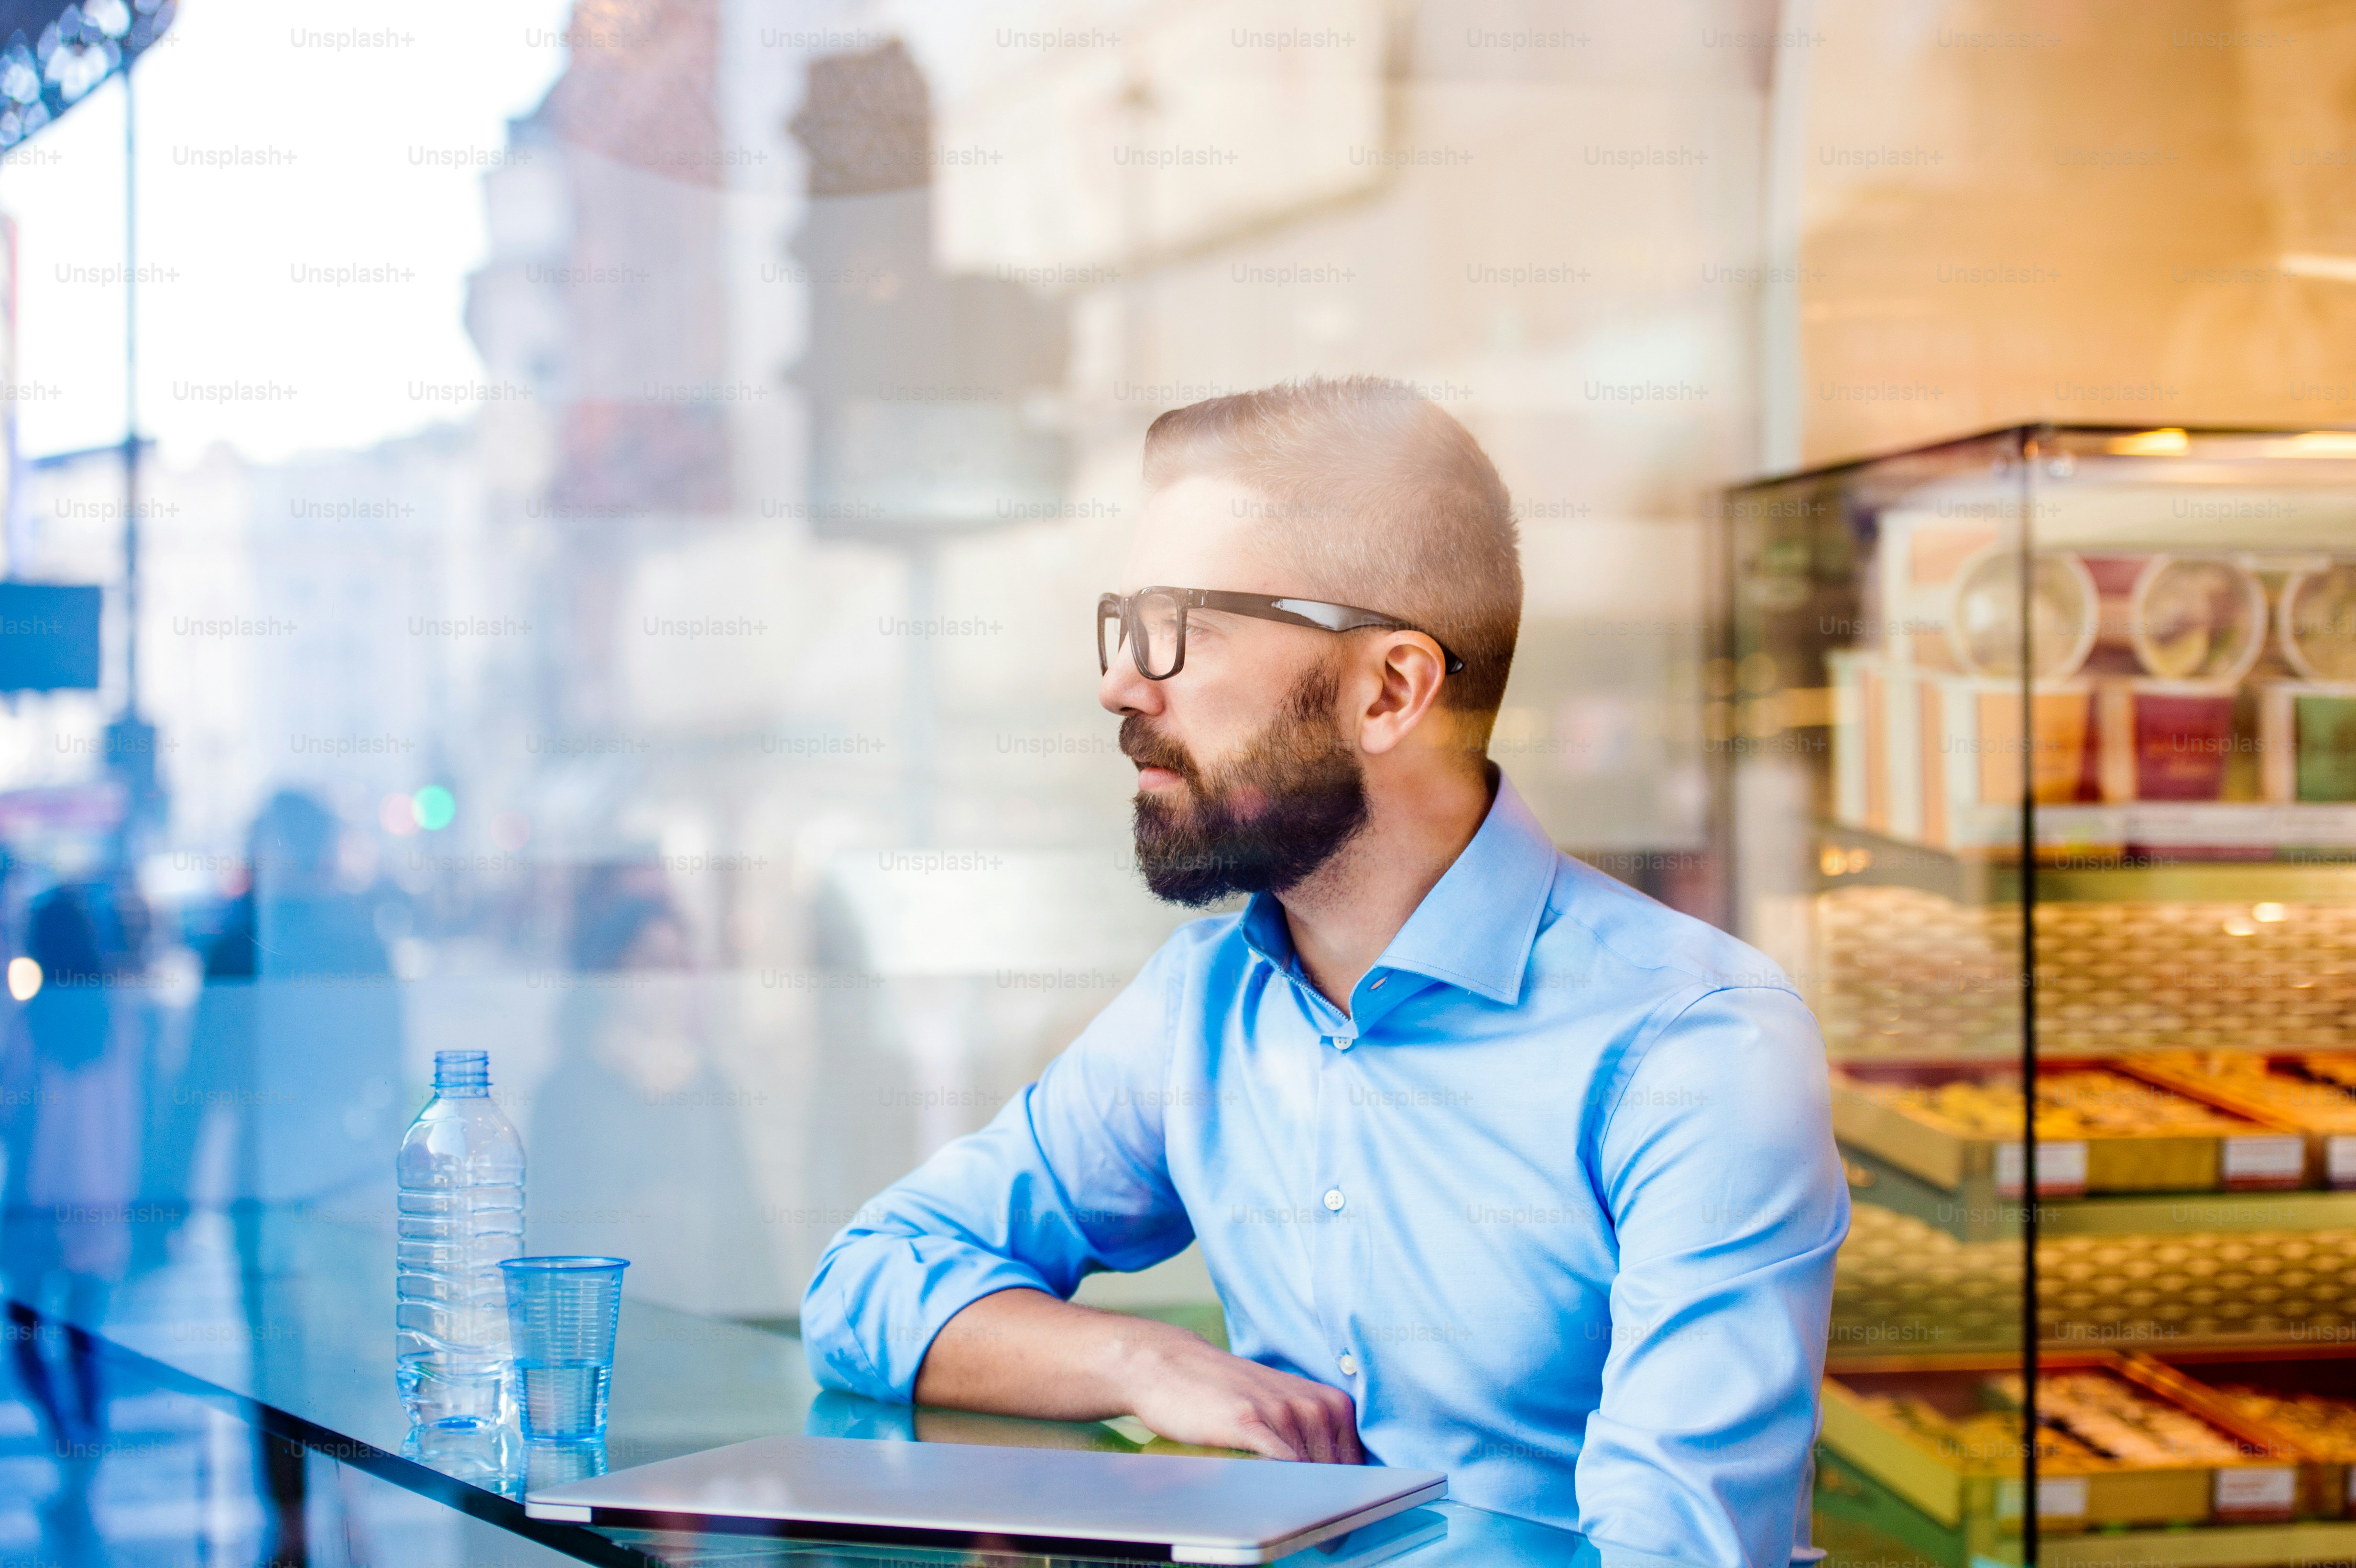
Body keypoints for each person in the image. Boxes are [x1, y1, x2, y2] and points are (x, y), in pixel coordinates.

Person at [802, 376, 1847, 1565]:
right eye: (1125, 625)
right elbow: (866, 1281)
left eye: (1180, 630)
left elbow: (1677, 1548)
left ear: (1388, 689)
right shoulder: (1204, 1002)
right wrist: (1147, 1360)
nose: (1121, 685)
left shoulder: (1696, 1045)